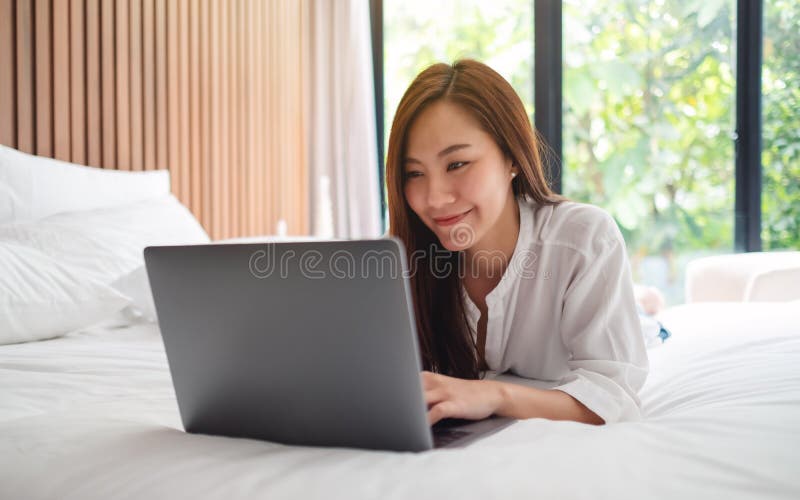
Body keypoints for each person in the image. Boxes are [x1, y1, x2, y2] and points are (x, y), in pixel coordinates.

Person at [385, 59, 649, 426]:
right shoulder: (399, 258)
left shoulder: (583, 238)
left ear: (511, 158)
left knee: (648, 321)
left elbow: (614, 396)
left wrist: (494, 395)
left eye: (457, 164)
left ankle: (648, 305)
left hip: (630, 321)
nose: (434, 198)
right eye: (414, 173)